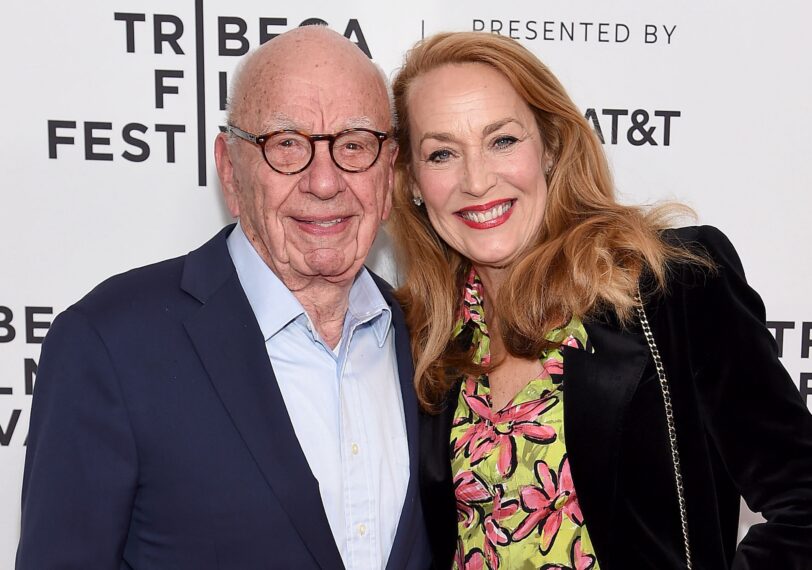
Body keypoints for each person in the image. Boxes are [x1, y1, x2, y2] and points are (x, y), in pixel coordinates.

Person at [388, 31, 812, 569]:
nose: (476, 180)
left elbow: (803, 503)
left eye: (502, 141)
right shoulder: (418, 334)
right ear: (414, 182)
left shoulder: (671, 284)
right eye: (442, 153)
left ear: (551, 146)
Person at [17, 26, 430, 570]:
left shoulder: (428, 339)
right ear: (230, 169)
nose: (325, 181)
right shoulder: (109, 345)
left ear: (390, 174)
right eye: (287, 144)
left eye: (354, 144)